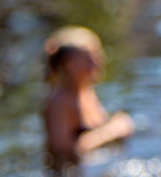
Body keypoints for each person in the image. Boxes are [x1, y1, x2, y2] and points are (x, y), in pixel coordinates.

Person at [42, 26, 135, 168]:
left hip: (92, 172)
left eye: (97, 56)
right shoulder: (60, 102)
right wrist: (112, 131)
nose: (97, 63)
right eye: (88, 59)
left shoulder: (87, 91)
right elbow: (63, 150)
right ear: (69, 64)